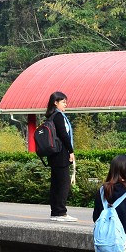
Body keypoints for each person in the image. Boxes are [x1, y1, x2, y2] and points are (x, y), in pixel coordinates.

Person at [45, 91, 75, 220]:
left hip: (53, 154)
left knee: (56, 184)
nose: (65, 104)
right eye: (63, 102)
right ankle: (61, 212)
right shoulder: (58, 116)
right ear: (55, 103)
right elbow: (64, 135)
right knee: (63, 183)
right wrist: (71, 151)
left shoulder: (50, 116)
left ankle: (55, 212)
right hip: (61, 154)